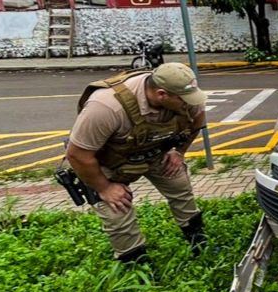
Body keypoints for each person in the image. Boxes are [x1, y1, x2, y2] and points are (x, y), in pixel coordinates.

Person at [65, 63, 208, 264]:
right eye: (185, 101)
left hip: (155, 150)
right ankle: (137, 267)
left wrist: (179, 152)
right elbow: (78, 155)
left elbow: (197, 121)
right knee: (117, 211)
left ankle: (198, 241)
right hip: (109, 161)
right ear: (161, 95)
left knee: (179, 186)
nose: (190, 104)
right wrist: (104, 188)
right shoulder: (106, 106)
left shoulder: (185, 97)